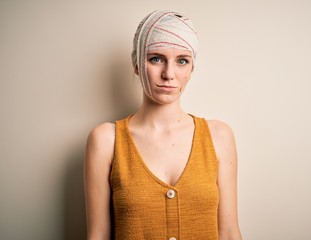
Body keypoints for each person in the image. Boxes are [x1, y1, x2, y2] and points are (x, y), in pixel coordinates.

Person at [84, 10, 243, 240]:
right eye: (156, 59)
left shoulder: (219, 136)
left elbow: (229, 233)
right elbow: (98, 236)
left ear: (191, 68)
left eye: (182, 61)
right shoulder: (106, 140)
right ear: (137, 64)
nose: (169, 74)